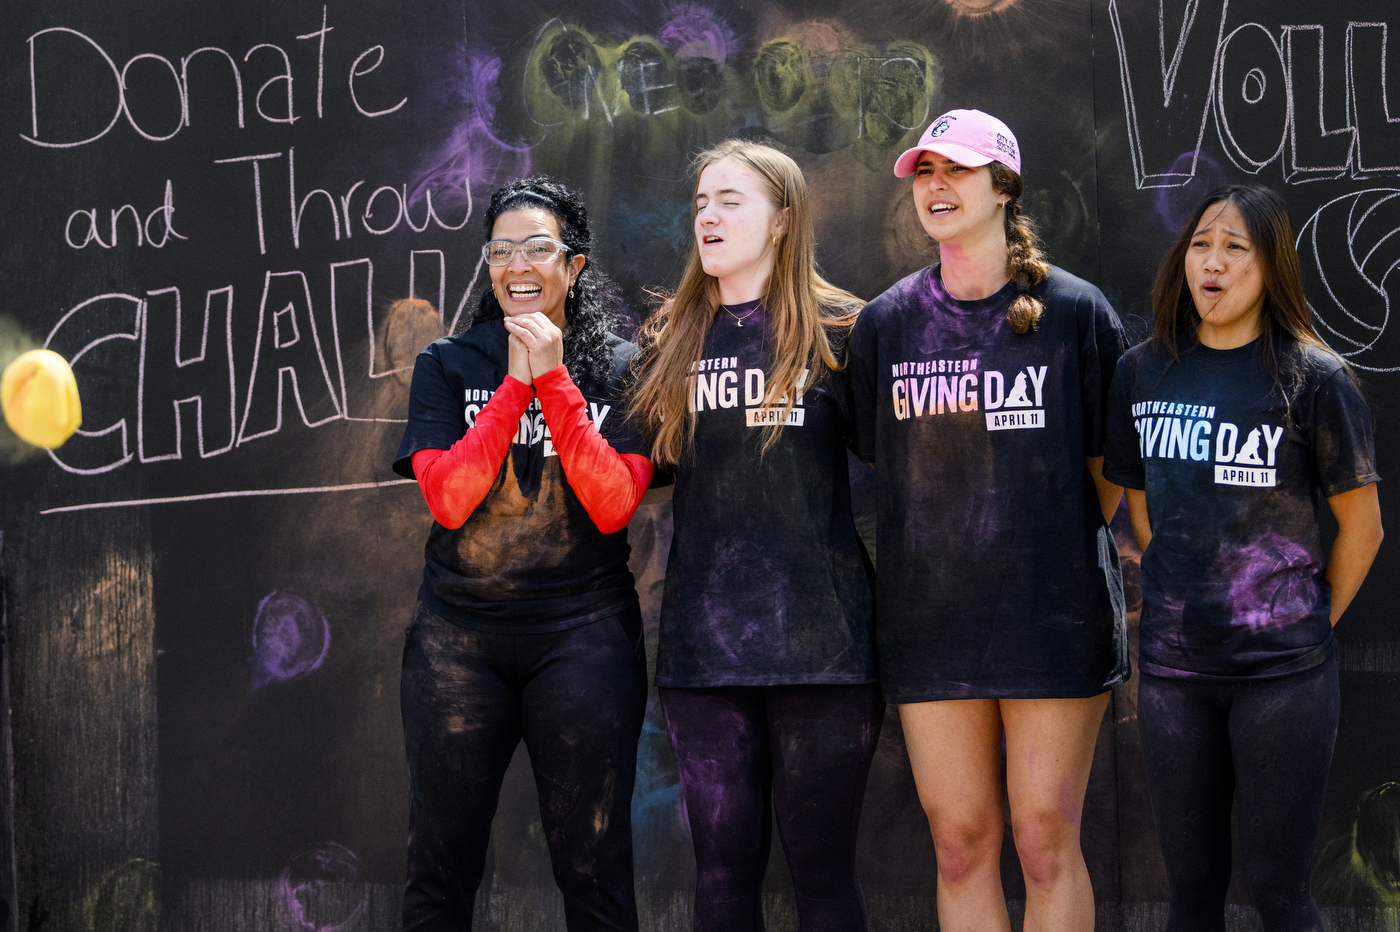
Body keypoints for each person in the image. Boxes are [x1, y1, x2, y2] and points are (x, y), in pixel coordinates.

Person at [845, 109, 1128, 932]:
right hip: (931, 625)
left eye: (956, 170)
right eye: (924, 172)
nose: (936, 186)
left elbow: (1106, 475)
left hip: (1053, 618)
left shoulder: (1076, 312)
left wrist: (1042, 543)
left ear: (1003, 187)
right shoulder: (886, 324)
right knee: (962, 842)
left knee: (1045, 840)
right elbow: (880, 463)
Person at [1103, 184, 1383, 931]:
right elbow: (1139, 502)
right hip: (1173, 675)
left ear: (1272, 268)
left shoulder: (1314, 378)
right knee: (1189, 894)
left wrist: (1310, 622)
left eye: (1237, 248)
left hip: (1283, 679)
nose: (1213, 263)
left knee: (1279, 893)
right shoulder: (1142, 371)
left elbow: (1364, 528)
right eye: (1201, 245)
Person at [629, 140, 882, 931]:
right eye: (701, 201)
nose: (707, 215)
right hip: (705, 655)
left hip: (826, 651)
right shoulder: (668, 337)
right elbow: (637, 476)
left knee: (822, 872)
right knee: (723, 874)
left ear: (781, 220)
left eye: (730, 200)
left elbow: (904, 467)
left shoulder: (845, 331)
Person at [392, 176, 654, 932]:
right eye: (501, 250)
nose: (518, 265)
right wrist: (513, 387)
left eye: (538, 248)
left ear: (572, 268)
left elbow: (612, 504)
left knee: (594, 866)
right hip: (456, 640)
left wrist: (556, 378)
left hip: (584, 637)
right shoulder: (447, 363)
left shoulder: (624, 367)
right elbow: (447, 498)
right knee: (439, 867)